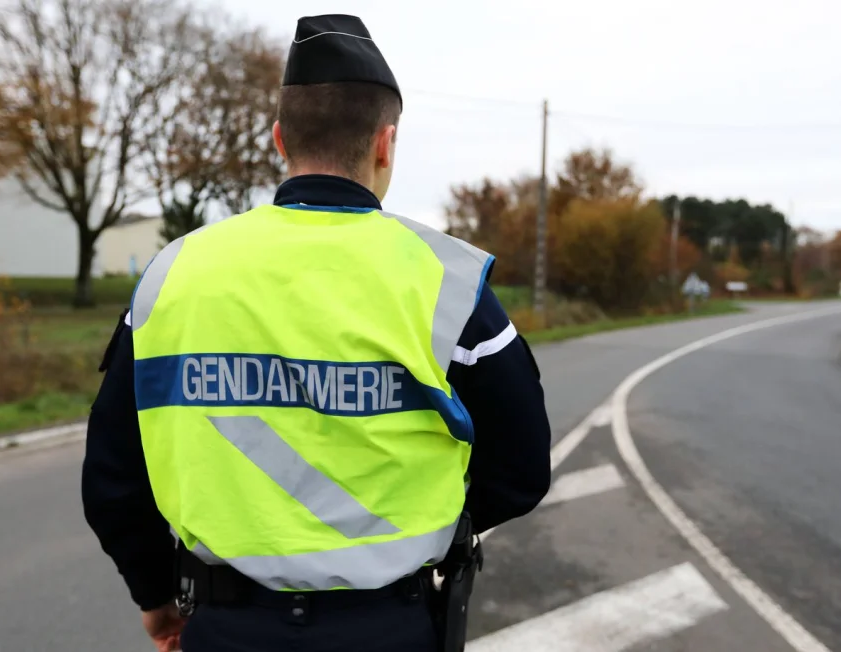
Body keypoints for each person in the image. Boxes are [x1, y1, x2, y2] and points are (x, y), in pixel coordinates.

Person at [81, 13, 551, 652]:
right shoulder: (450, 283)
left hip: (223, 629)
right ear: (385, 144)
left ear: (280, 139)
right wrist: (429, 520)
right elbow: (521, 469)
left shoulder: (172, 274)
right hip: (390, 630)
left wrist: (156, 598)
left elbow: (113, 477)